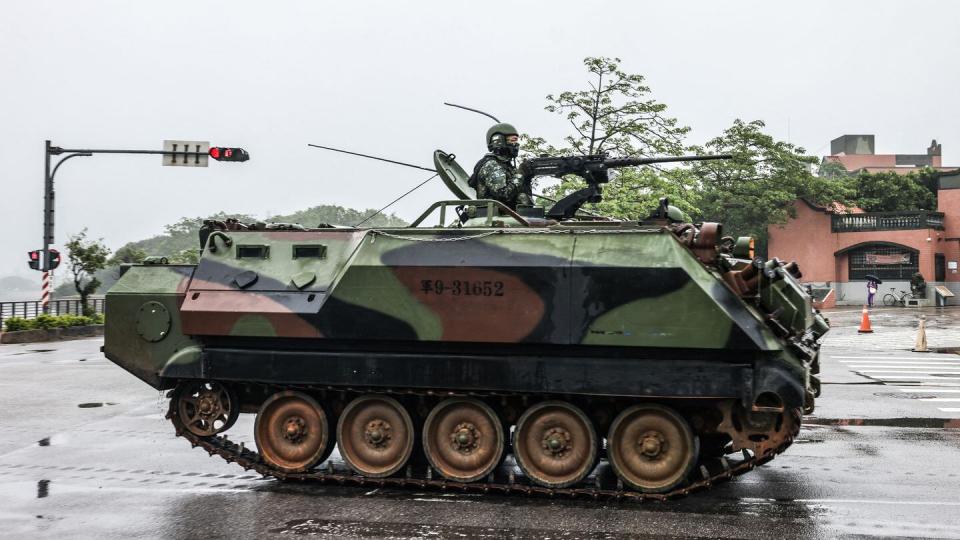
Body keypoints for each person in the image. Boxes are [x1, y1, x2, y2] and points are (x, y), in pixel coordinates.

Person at [468, 123, 533, 210]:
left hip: (510, 215)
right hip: (495, 215)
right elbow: (503, 195)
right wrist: (520, 174)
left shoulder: (506, 165)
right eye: (513, 140)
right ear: (499, 141)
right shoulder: (492, 165)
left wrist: (526, 177)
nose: (516, 144)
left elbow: (518, 192)